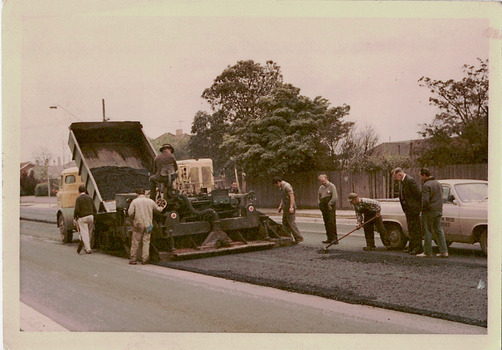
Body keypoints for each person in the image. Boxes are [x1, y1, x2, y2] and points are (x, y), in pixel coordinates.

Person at [417, 168, 448, 258]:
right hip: (438, 209)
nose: (420, 178)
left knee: (427, 230)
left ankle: (427, 251)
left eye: (420, 176)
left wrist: (422, 209)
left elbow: (425, 200)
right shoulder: (438, 183)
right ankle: (444, 251)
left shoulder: (426, 185)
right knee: (439, 230)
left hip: (429, 211)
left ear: (424, 175)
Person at [391, 167, 423, 255]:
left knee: (415, 228)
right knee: (410, 228)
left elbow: (418, 194)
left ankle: (418, 247)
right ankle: (412, 246)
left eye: (396, 177)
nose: (395, 179)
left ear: (400, 175)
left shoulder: (410, 181)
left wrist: (415, 207)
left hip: (413, 209)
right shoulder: (402, 182)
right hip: (408, 209)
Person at [128, 188, 162, 265]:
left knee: (135, 242)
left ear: (137, 194)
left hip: (138, 225)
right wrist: (162, 206)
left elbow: (130, 213)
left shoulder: (134, 202)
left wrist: (132, 220)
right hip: (149, 225)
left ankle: (133, 260)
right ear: (144, 193)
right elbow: (158, 210)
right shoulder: (150, 201)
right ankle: (145, 260)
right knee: (146, 242)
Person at [272, 176, 304, 244]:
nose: (276, 186)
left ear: (278, 182)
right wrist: (280, 206)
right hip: (285, 207)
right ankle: (288, 238)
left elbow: (291, 196)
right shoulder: (281, 187)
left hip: (290, 207)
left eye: (275, 184)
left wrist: (291, 207)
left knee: (291, 223)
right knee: (285, 223)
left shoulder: (287, 186)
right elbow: (283, 198)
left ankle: (298, 238)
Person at [74, 185, 97, 254]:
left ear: (79, 191)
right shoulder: (90, 198)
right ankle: (87, 246)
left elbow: (77, 209)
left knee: (84, 233)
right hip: (91, 216)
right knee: (89, 233)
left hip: (83, 218)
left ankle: (88, 249)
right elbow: (94, 208)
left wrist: (75, 217)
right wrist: (94, 217)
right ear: (85, 190)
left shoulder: (78, 199)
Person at [318, 174, 338, 244]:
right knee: (326, 222)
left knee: (331, 222)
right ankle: (329, 238)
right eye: (321, 181)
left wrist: (330, 204)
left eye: (323, 181)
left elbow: (335, 197)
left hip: (330, 206)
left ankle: (334, 239)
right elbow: (319, 197)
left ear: (326, 179)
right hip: (323, 206)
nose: (323, 183)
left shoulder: (331, 186)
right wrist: (320, 205)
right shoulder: (321, 188)